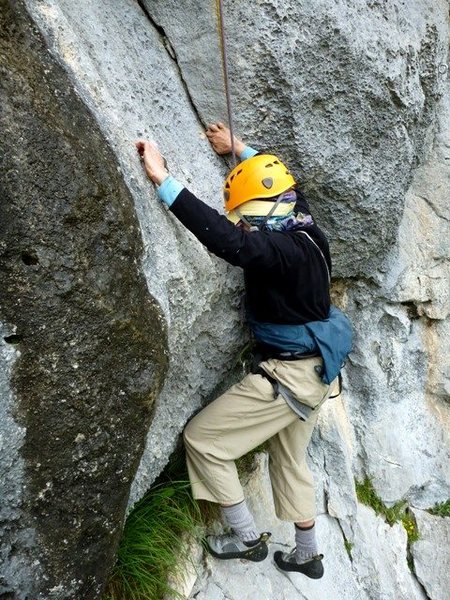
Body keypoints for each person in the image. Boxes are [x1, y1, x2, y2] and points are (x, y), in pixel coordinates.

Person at [135, 123, 352, 579]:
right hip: (318, 370)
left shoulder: (279, 251)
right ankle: (307, 554)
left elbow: (227, 241)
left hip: (290, 374)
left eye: (250, 217)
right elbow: (277, 179)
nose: (246, 223)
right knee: (290, 457)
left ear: (267, 219)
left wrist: (163, 181)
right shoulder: (306, 225)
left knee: (204, 440)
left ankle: (246, 539)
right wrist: (238, 149)